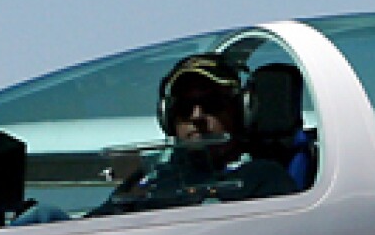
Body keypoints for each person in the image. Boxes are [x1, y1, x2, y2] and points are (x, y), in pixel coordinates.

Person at [97, 51, 298, 214]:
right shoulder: (151, 180)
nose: (197, 116)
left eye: (212, 104)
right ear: (168, 118)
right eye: (184, 107)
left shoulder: (263, 179)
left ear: (240, 111)